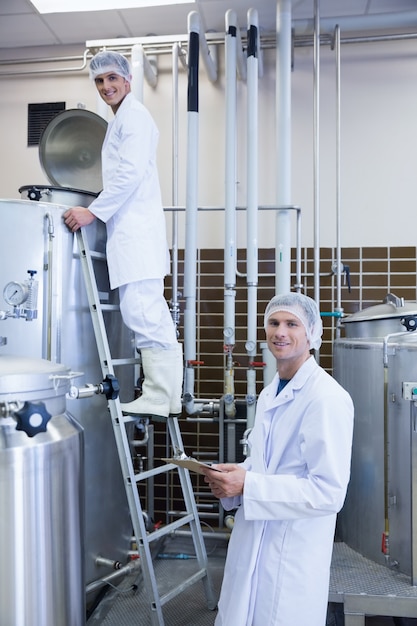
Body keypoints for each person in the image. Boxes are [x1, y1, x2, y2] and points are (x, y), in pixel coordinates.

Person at [202, 293, 354, 626]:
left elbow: (328, 492)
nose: (279, 332)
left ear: (311, 333)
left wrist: (250, 484)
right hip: (254, 538)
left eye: (291, 324)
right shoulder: (274, 390)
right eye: (273, 323)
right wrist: (237, 477)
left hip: (291, 552)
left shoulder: (326, 398)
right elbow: (268, 464)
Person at [63, 51, 182, 420]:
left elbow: (128, 175)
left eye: (112, 79)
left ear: (128, 80)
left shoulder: (135, 117)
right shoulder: (122, 119)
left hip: (138, 235)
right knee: (140, 311)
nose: (106, 87)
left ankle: (162, 394)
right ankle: (159, 393)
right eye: (99, 81)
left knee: (143, 312)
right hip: (130, 235)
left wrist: (92, 211)